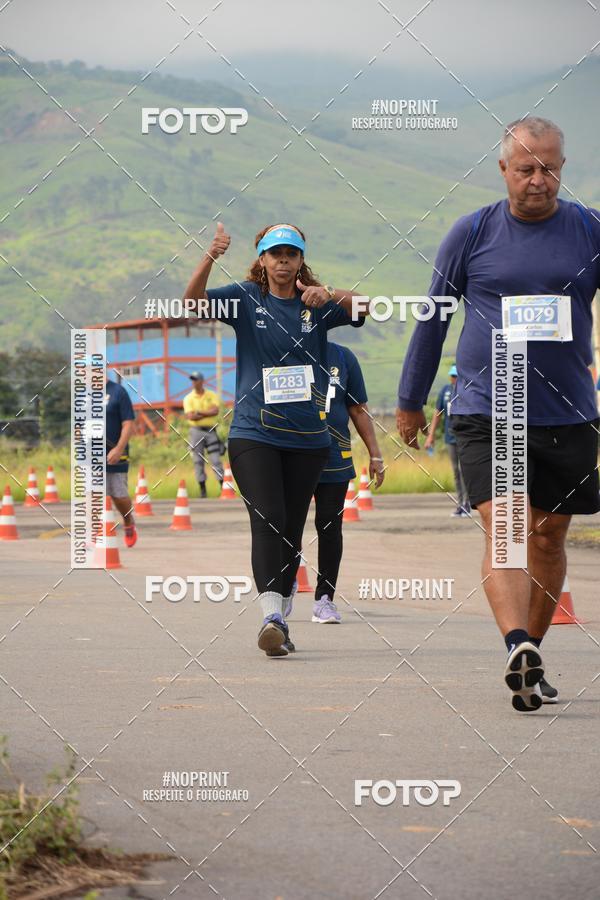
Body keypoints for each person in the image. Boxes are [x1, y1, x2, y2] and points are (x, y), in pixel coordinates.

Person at [397, 116, 600, 712]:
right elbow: (433, 319)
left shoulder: (589, 230)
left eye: (551, 168)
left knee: (550, 535)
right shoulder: (473, 232)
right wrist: (410, 401)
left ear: (562, 166)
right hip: (491, 405)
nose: (539, 180)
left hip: (568, 411)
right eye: (526, 168)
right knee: (508, 526)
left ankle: (529, 655)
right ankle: (515, 641)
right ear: (504, 169)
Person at [183, 222, 368, 656]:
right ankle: (270, 614)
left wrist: (332, 294)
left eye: (291, 254)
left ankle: (282, 616)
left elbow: (367, 307)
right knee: (267, 518)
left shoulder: (315, 304)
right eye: (275, 254)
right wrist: (210, 256)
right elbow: (191, 304)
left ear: (301, 260)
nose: (283, 261)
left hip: (308, 437)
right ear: (262, 260)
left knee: (289, 528)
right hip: (254, 433)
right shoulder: (246, 298)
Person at [285, 341, 385, 624]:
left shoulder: (343, 355)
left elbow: (358, 409)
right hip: (294, 452)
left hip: (334, 455)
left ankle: (324, 599)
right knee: (289, 525)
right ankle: (285, 586)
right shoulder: (285, 349)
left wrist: (375, 455)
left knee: (330, 526)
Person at [424, 364, 470, 517]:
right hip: (450, 437)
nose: (454, 379)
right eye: (452, 376)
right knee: (456, 471)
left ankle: (467, 503)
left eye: (456, 376)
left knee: (465, 471)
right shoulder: (445, 391)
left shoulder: (467, 390)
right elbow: (438, 414)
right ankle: (460, 503)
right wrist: (430, 436)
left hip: (465, 436)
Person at [105, 375, 137, 547]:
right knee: (90, 496)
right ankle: (94, 535)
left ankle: (128, 521)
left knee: (119, 496)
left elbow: (128, 424)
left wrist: (118, 449)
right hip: (89, 455)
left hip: (115, 453)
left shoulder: (118, 392)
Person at [183, 371, 223, 497]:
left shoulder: (212, 395)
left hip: (211, 430)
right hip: (196, 431)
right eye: (192, 380)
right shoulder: (188, 398)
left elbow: (215, 411)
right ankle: (203, 490)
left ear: (202, 381)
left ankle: (223, 488)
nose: (194, 382)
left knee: (216, 460)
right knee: (198, 461)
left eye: (196, 380)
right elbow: (191, 417)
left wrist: (198, 412)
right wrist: (206, 412)